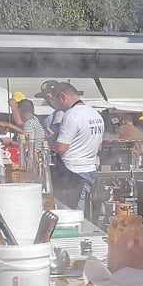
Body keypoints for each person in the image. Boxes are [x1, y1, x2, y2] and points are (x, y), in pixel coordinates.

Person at [45, 82, 103, 210]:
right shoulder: (95, 114)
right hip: (90, 169)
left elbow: (61, 148)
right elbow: (99, 146)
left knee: (73, 213)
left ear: (63, 97)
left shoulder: (71, 115)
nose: (58, 108)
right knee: (86, 212)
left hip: (73, 173)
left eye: (57, 102)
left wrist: (49, 143)